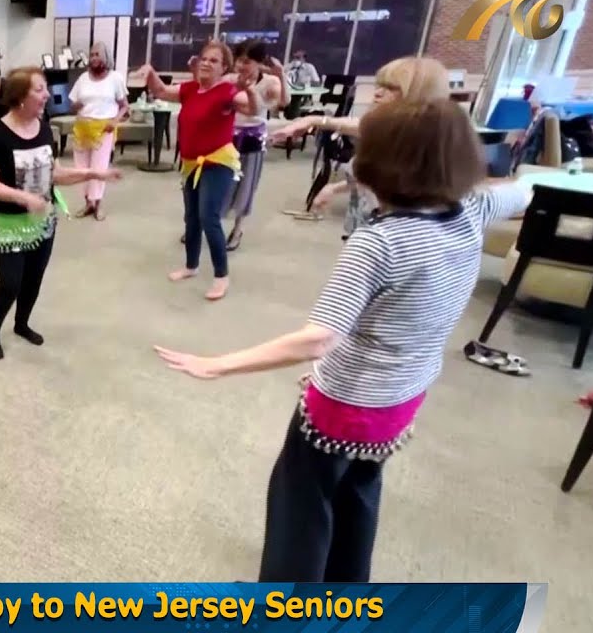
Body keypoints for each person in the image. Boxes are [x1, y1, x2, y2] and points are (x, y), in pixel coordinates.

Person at [154, 99, 531, 583]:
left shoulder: (381, 242)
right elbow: (524, 191)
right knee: (359, 491)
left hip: (347, 403)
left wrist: (218, 364)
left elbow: (319, 339)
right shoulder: (471, 210)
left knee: (301, 509)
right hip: (403, 398)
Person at [0, 67, 123, 360]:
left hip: (42, 220)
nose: (47, 95)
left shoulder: (44, 128)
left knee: (34, 278)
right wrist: (23, 197)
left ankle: (21, 324)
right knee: (10, 283)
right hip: (7, 223)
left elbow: (54, 174)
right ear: (20, 96)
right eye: (39, 89)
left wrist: (94, 173)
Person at [274, 56, 450, 238]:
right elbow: (363, 130)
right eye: (380, 85)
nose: (378, 93)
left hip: (388, 235)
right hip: (364, 224)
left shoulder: (416, 146)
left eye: (391, 88)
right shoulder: (392, 131)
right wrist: (335, 188)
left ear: (417, 95)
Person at [138, 42, 259, 301]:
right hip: (192, 163)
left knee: (208, 216)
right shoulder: (190, 89)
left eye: (214, 61)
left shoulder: (227, 92)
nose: (206, 63)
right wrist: (150, 72)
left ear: (224, 68)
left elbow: (253, 109)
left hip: (218, 162)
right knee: (191, 217)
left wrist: (248, 90)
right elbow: (160, 90)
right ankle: (191, 266)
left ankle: (221, 276)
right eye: (204, 58)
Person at [223, 39, 288, 250]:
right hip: (226, 137)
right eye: (238, 60)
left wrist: (281, 75)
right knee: (218, 183)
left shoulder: (269, 82)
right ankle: (205, 223)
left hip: (252, 139)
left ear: (259, 62)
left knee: (246, 185)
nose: (241, 65)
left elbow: (282, 103)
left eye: (247, 61)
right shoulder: (230, 79)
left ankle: (238, 229)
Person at [67, 41, 129, 221]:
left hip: (103, 129)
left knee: (99, 168)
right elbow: (72, 105)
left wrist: (115, 121)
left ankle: (98, 204)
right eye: (92, 54)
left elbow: (125, 106)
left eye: (97, 55)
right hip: (82, 128)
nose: (94, 58)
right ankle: (88, 203)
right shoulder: (83, 78)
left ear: (106, 57)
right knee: (82, 169)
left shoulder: (115, 78)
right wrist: (76, 105)